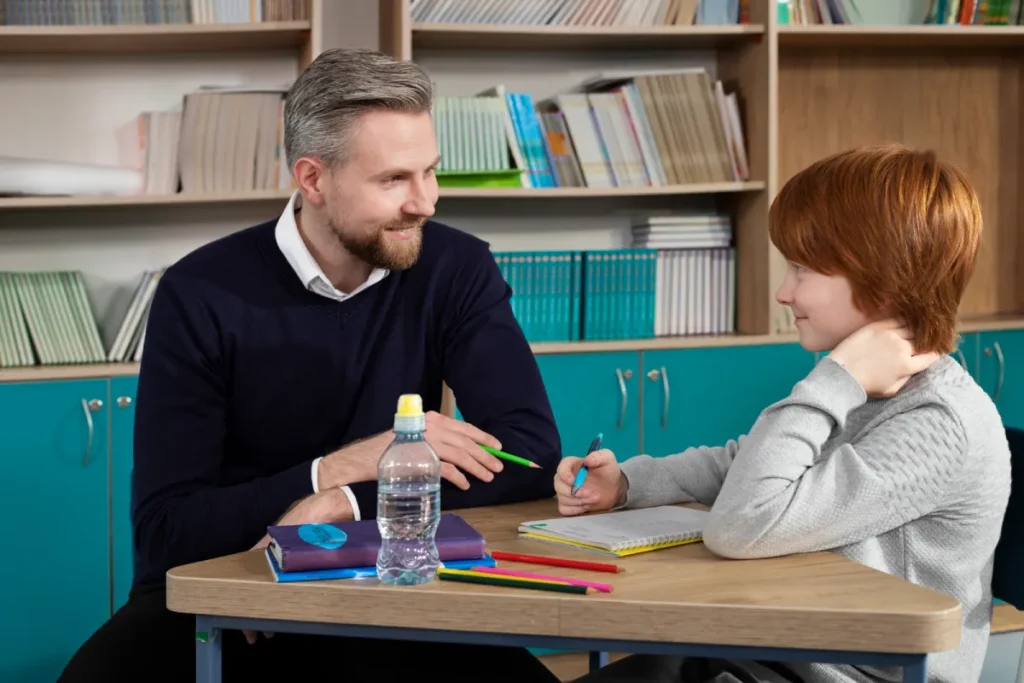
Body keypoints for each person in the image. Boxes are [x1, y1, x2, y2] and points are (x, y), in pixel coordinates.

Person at [59, 48, 561, 683]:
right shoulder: (200, 292)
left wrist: (343, 502)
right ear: (313, 179)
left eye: (430, 172)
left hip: (391, 584)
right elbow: (167, 532)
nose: (425, 202)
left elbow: (531, 455)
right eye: (393, 180)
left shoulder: (455, 269)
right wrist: (339, 466)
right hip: (231, 587)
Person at [553, 145, 1012, 683]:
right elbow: (747, 465)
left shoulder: (937, 422)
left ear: (882, 278)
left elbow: (743, 523)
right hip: (774, 649)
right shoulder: (872, 387)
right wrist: (630, 481)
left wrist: (835, 376)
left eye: (802, 269)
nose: (783, 291)